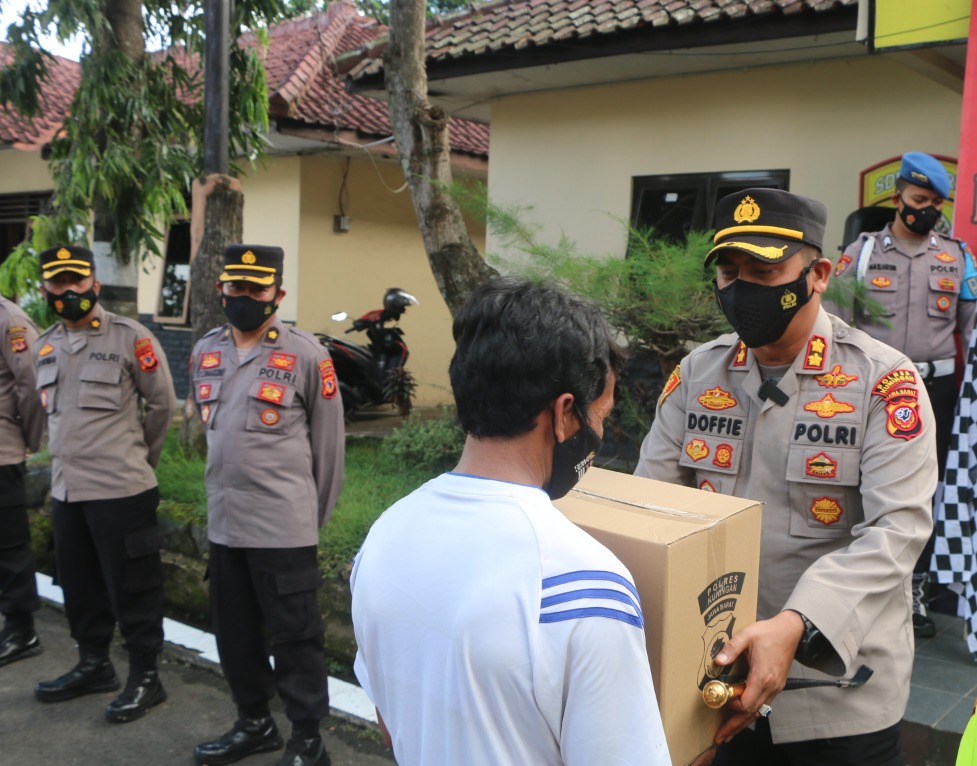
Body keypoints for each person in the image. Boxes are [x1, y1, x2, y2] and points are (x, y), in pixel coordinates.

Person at [636, 188, 936, 766]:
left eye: (763, 270)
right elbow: (650, 513)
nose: (741, 286)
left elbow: (897, 532)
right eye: (729, 269)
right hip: (713, 685)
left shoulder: (881, 381)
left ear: (818, 273)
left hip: (837, 697)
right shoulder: (699, 373)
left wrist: (796, 625)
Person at [351, 277, 671, 766]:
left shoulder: (383, 538)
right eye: (600, 415)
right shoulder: (587, 583)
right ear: (565, 414)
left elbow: (392, 725)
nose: (599, 433)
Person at [191, 245, 344, 766]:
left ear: (277, 294)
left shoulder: (306, 354)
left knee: (297, 637)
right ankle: (253, 723)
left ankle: (307, 739)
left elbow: (329, 453)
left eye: (257, 290)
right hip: (226, 525)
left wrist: (307, 521)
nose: (245, 298)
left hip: (284, 528)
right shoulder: (204, 352)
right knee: (234, 632)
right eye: (236, 288)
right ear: (222, 291)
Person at [828, 151, 977, 637]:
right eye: (919, 199)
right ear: (898, 199)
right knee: (861, 481)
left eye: (936, 202)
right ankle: (860, 586)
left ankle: (914, 589)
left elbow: (972, 329)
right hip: (872, 386)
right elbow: (832, 322)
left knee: (925, 492)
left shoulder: (956, 257)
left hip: (937, 390)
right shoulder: (863, 253)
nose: (927, 209)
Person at [32, 245, 176, 723]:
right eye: (58, 283)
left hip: (121, 490)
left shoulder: (130, 337)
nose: (69, 290)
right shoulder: (46, 345)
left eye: (77, 280)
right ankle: (94, 664)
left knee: (134, 588)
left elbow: (161, 407)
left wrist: (138, 462)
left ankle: (145, 677)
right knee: (80, 585)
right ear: (45, 289)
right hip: (68, 491)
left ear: (94, 283)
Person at [0, 295, 44, 667]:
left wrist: (28, 440)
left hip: (1, 453)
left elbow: (31, 384)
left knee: (9, 546)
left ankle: (21, 629)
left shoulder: (10, 319)